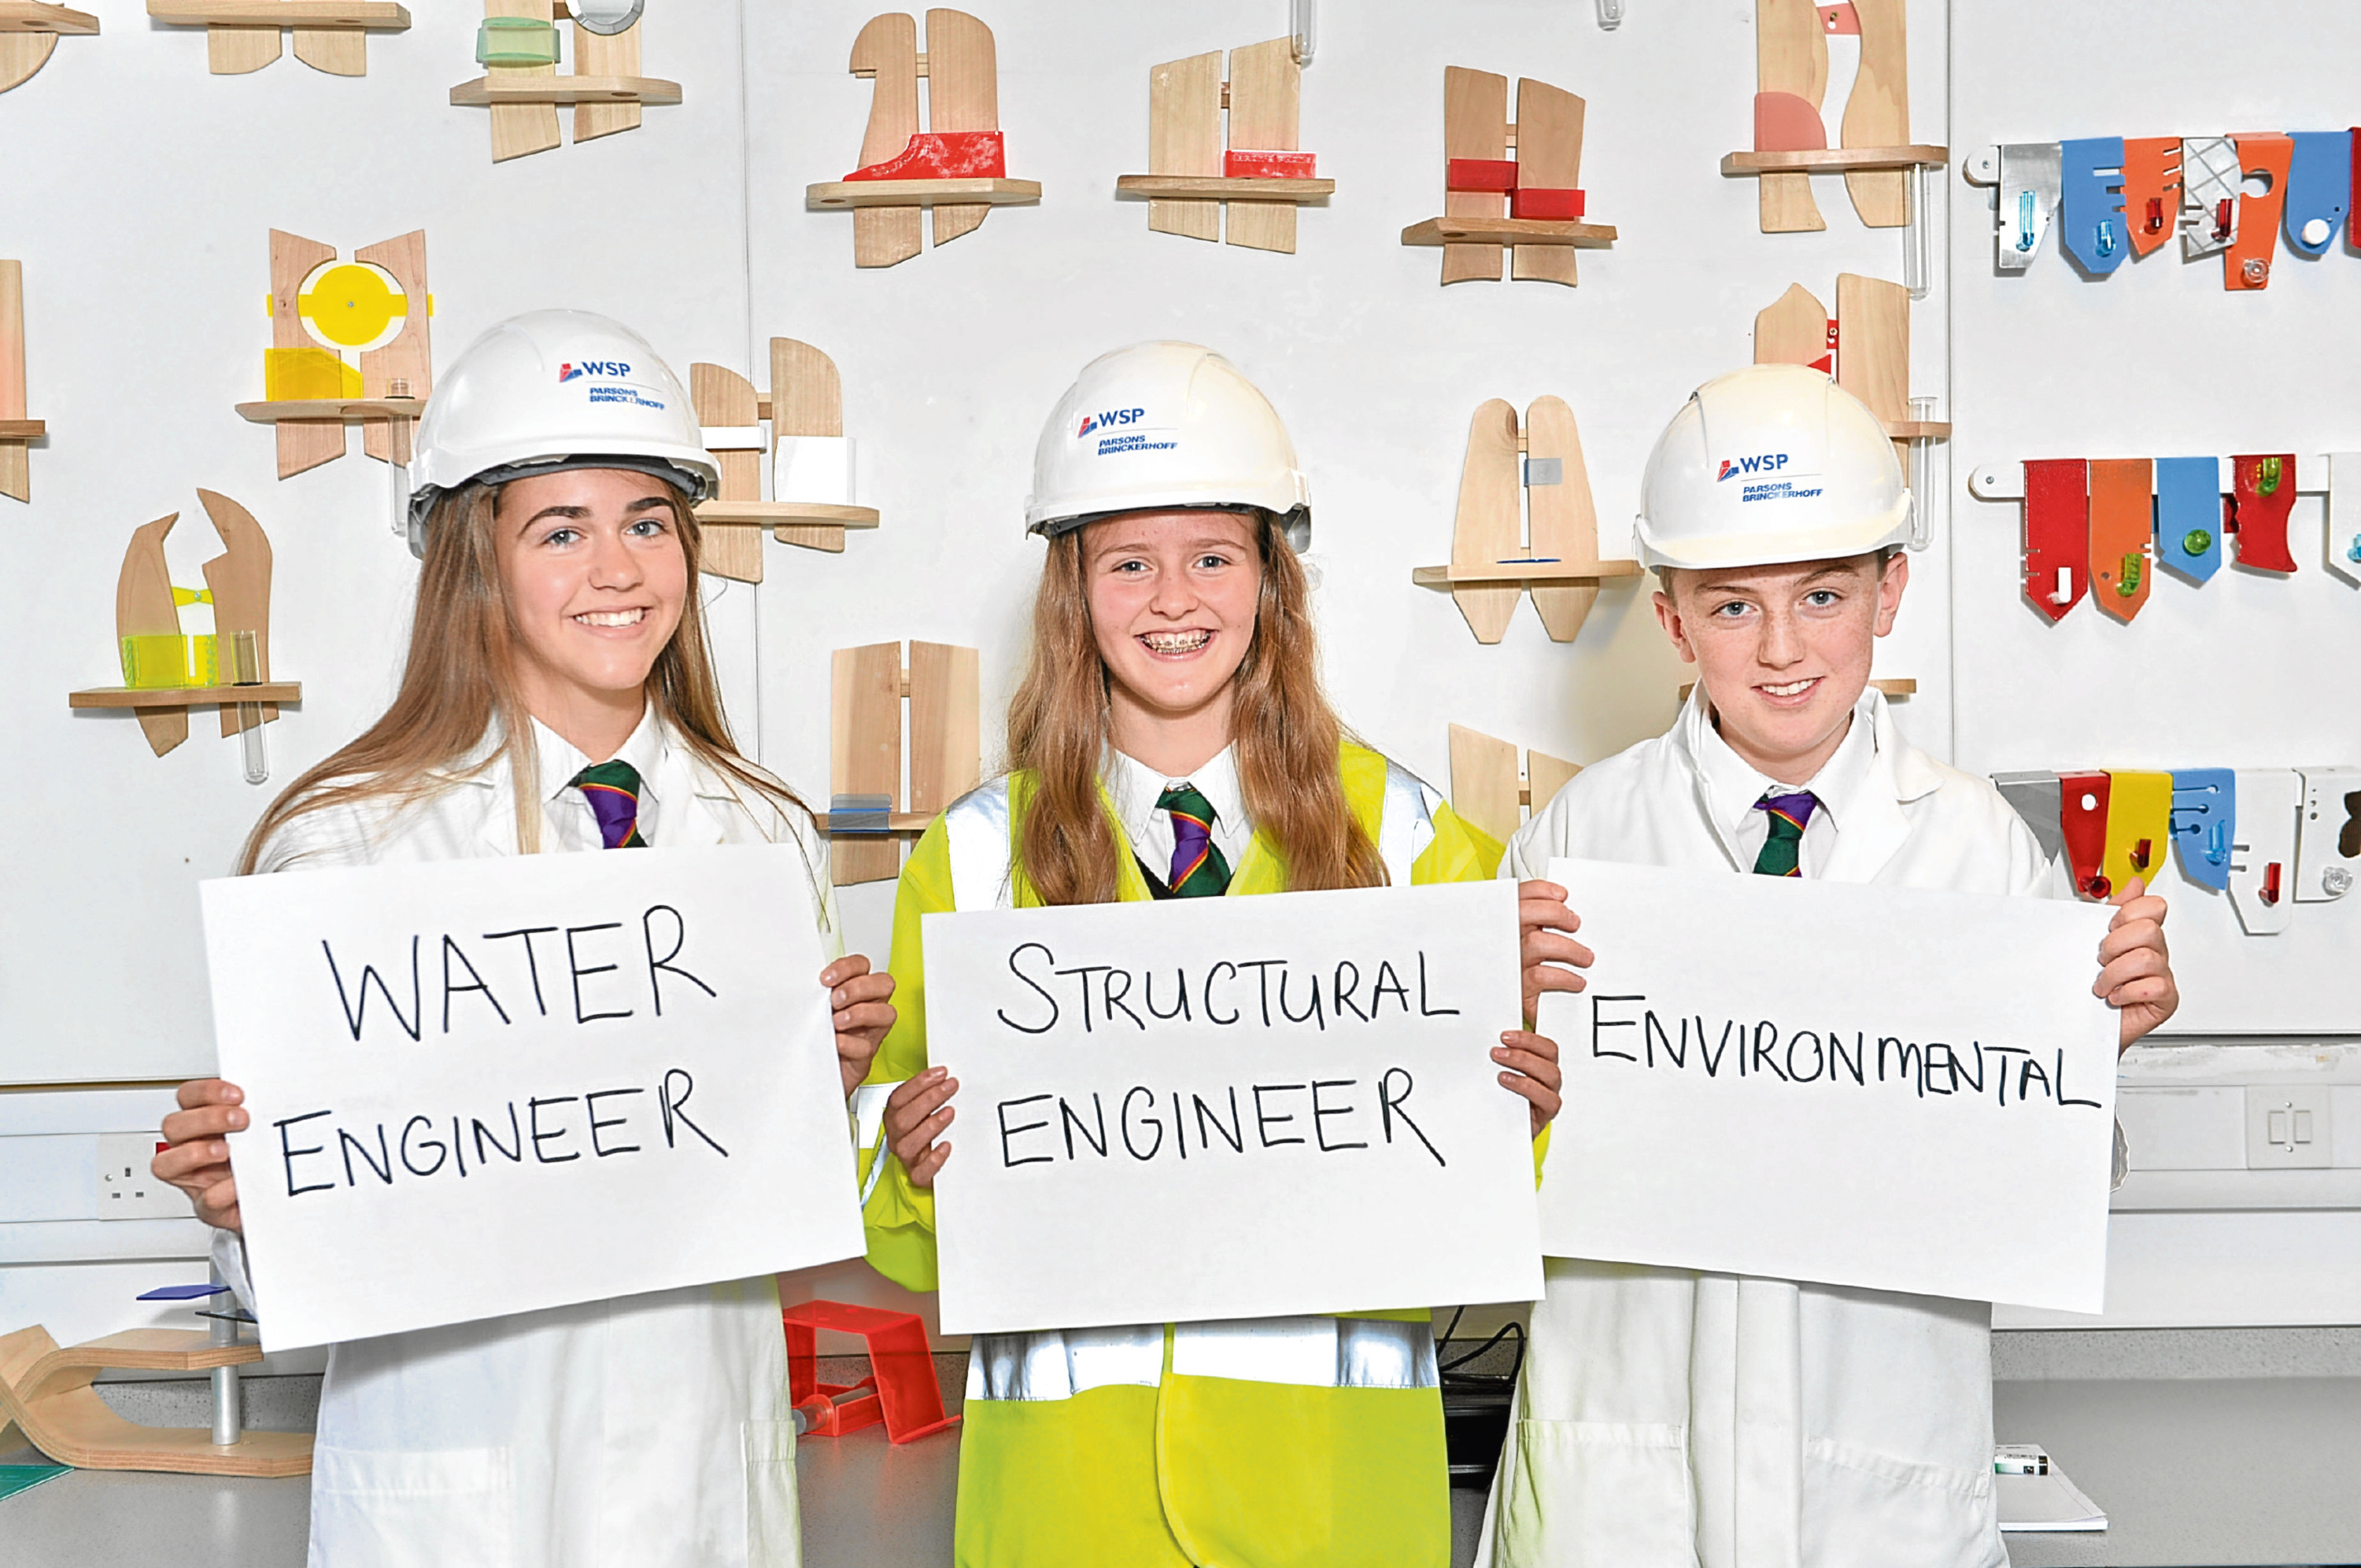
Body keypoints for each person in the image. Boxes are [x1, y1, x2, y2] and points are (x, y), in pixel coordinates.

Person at [150, 311, 893, 1568]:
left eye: (647, 522)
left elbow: (771, 1192)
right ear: (473, 559)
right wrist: (247, 1205)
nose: (619, 568)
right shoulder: (346, 845)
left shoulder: (761, 834)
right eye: (562, 529)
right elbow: (299, 1265)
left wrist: (822, 1098)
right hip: (454, 1498)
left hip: (704, 1487)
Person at [856, 341, 1565, 1568]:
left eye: (1213, 557)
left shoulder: (1415, 844)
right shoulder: (972, 861)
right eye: (1129, 561)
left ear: (1272, 581)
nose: (1172, 599)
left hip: (1330, 1503)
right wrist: (913, 1160)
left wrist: (1535, 1109)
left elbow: (1508, 1180)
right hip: (1065, 1511)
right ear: (1072, 590)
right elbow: (893, 1216)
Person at [1481, 363, 2179, 1567]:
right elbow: (1490, 1171)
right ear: (1672, 619)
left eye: (1822, 593)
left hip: (1879, 1501)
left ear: (1889, 588)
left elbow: (2043, 1198)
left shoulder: (1974, 850)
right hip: (1621, 1502)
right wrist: (1511, 1103)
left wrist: (2091, 1057)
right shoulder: (1577, 845)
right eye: (1734, 605)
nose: (1784, 647)